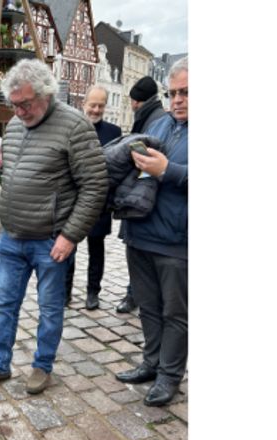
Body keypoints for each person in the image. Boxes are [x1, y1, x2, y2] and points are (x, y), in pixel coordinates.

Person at [0, 59, 108, 394]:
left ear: (46, 94)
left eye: (25, 104)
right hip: (12, 238)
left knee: (49, 308)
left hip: (51, 242)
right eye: (14, 105)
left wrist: (70, 236)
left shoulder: (75, 126)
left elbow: (95, 186)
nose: (19, 112)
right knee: (5, 303)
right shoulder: (15, 126)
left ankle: (42, 366)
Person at [115, 58, 189, 407]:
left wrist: (167, 170)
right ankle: (151, 362)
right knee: (148, 306)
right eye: (173, 93)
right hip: (140, 231)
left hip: (177, 241)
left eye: (186, 92)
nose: (178, 100)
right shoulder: (161, 125)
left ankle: (169, 376)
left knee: (175, 313)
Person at [64, 85, 122, 309]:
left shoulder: (114, 132)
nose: (96, 109)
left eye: (101, 105)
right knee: (69, 249)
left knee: (96, 250)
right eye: (92, 105)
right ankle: (65, 291)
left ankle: (92, 292)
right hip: (73, 200)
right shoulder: (72, 128)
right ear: (83, 104)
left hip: (100, 202)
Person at [116, 75, 168, 313]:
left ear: (139, 101)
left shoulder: (154, 120)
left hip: (142, 194)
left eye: (133, 101)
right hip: (140, 192)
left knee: (139, 252)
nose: (132, 105)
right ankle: (136, 294)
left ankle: (135, 295)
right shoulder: (150, 116)